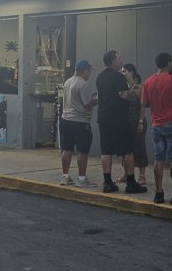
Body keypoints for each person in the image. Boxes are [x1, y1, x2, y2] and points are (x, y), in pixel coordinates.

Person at [140, 52, 172, 205]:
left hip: (156, 125)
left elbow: (144, 103)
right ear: (168, 63)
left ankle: (159, 193)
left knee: (158, 159)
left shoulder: (148, 82)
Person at [95, 50, 147, 194]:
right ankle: (131, 183)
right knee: (128, 150)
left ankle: (107, 183)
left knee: (106, 150)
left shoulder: (100, 77)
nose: (121, 61)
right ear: (113, 60)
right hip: (118, 117)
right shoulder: (117, 76)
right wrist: (134, 91)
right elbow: (123, 95)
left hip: (103, 117)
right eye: (119, 58)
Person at [59, 60, 98, 187]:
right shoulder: (83, 83)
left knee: (67, 149)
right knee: (82, 151)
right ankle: (81, 179)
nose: (89, 74)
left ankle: (65, 177)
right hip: (80, 122)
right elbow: (87, 104)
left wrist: (90, 96)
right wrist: (98, 99)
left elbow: (76, 98)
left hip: (65, 120)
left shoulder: (68, 82)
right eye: (89, 71)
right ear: (84, 71)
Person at [120, 63, 149, 186]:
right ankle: (127, 173)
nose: (122, 73)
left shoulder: (138, 87)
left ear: (131, 72)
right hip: (126, 121)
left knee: (139, 147)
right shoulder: (124, 87)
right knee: (126, 148)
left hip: (137, 120)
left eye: (124, 71)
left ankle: (142, 175)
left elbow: (143, 105)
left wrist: (140, 121)